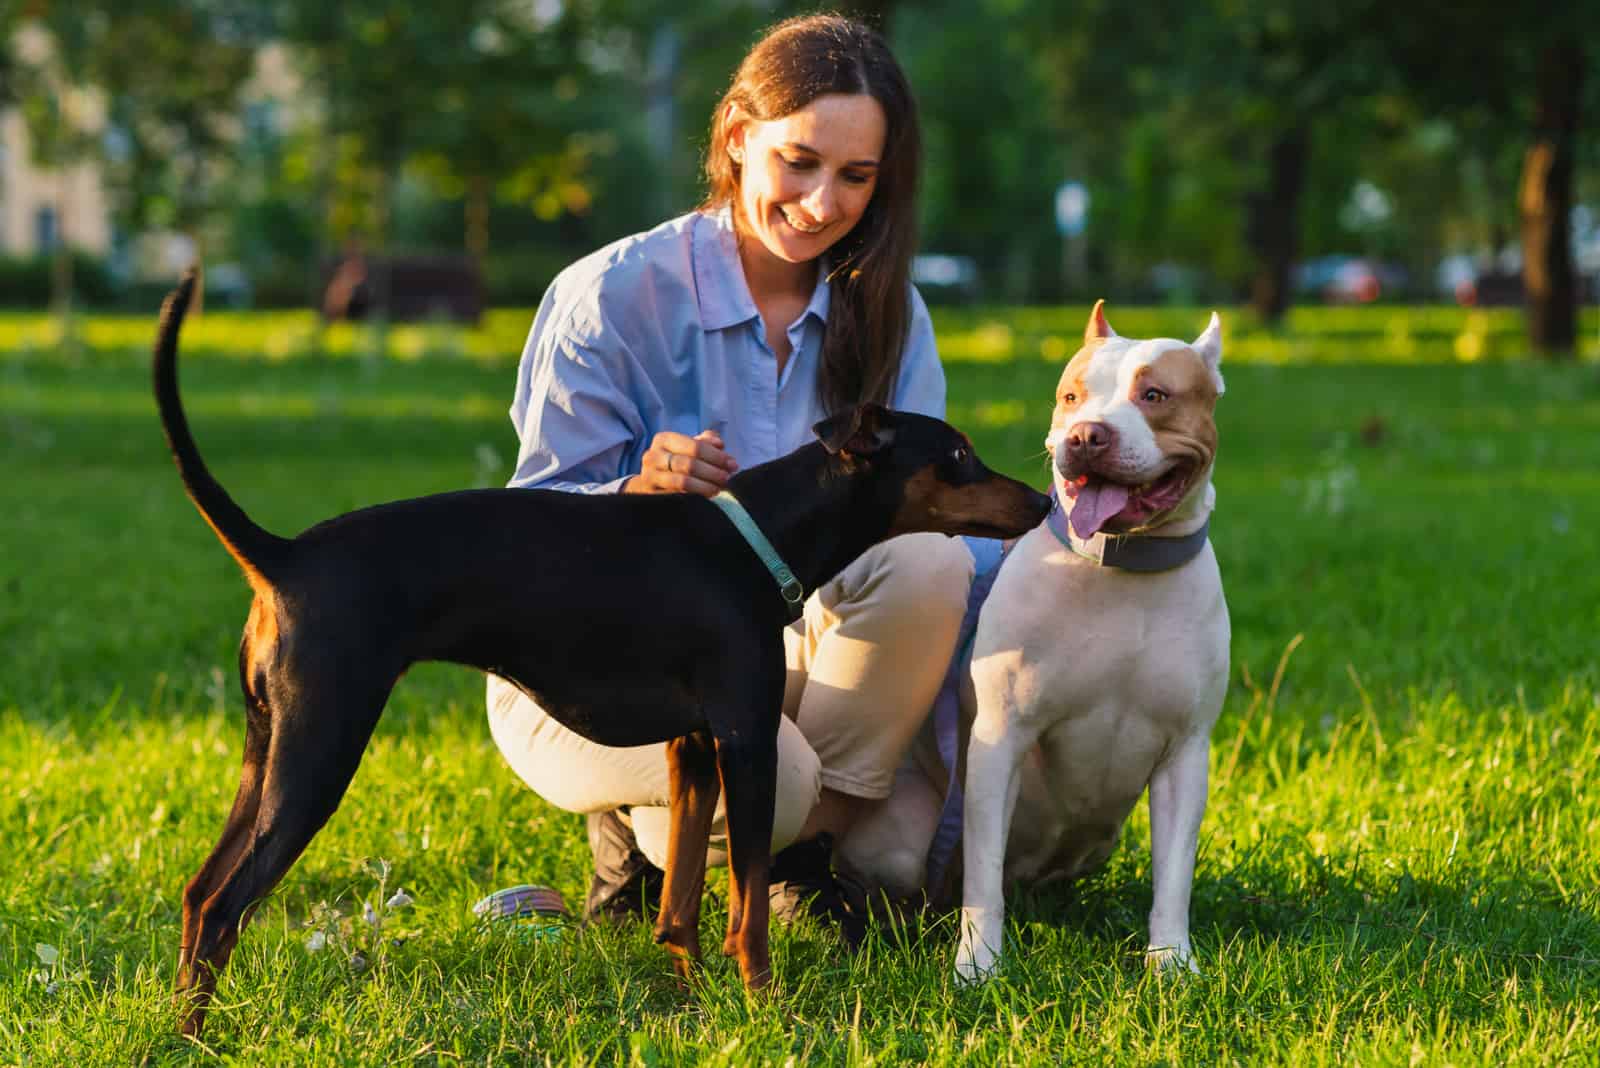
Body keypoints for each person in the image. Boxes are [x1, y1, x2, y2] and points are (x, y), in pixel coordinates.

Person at [485, 13, 982, 943]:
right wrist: (636, 491)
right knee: (780, 777)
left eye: (856, 176)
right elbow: (526, 535)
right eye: (799, 160)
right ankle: (690, 835)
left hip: (775, 655)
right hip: (587, 660)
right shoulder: (612, 294)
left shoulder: (890, 315)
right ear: (736, 138)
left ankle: (774, 854)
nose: (823, 202)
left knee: (930, 564)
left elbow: (942, 522)